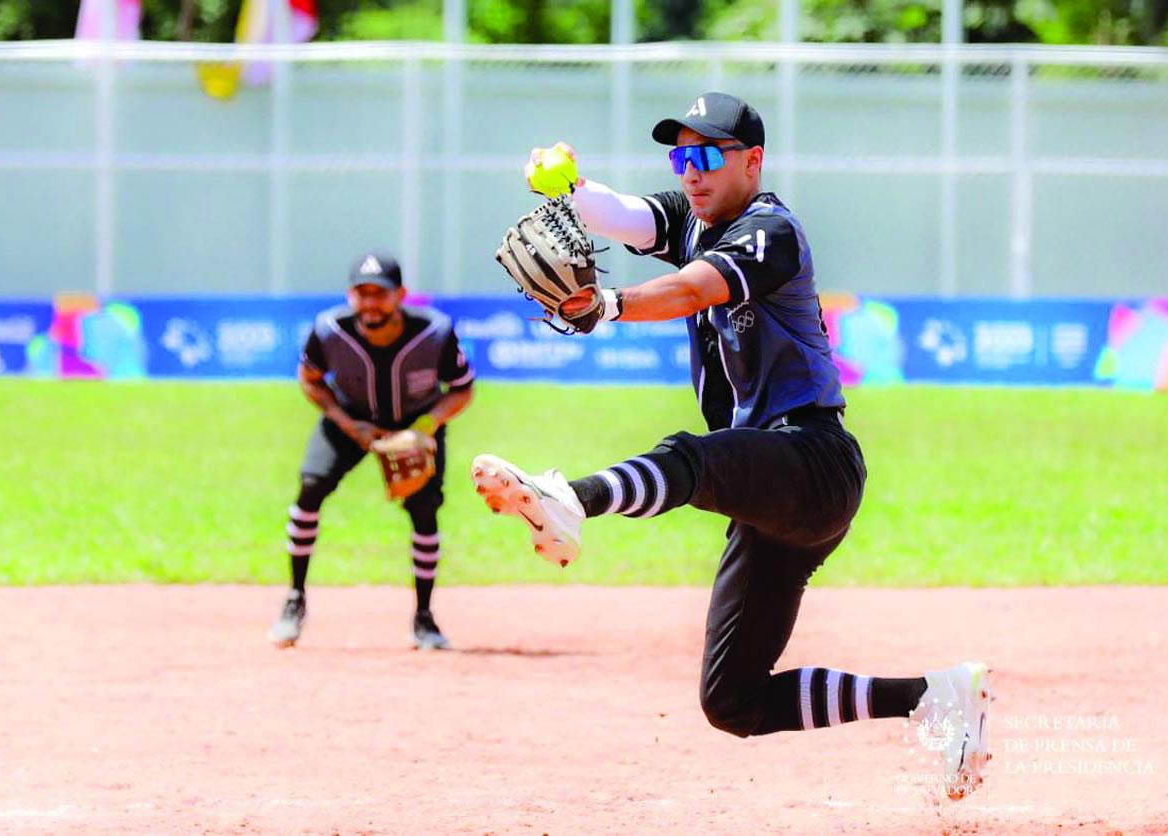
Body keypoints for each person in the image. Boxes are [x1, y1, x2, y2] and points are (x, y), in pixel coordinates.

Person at [472, 92, 991, 800]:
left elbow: (693, 291)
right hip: (767, 485)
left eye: (707, 156)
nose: (691, 172)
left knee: (695, 457)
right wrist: (569, 186)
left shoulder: (769, 230)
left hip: (813, 460)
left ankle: (571, 500)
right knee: (733, 702)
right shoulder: (692, 214)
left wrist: (608, 306)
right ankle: (934, 697)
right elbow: (623, 215)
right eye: (681, 156)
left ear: (752, 161)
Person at [269, 250, 475, 650]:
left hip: (415, 424)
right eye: (361, 293)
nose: (370, 303)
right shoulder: (330, 329)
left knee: (424, 510)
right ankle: (295, 599)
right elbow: (310, 379)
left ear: (400, 295)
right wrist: (350, 425)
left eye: (379, 294)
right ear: (350, 296)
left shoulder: (433, 333)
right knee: (310, 488)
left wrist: (424, 427)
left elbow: (463, 389)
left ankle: (424, 618)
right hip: (350, 419)